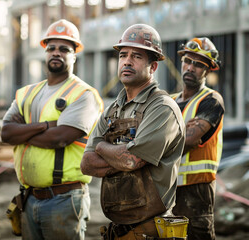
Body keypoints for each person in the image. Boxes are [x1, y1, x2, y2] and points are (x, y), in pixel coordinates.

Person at [1, 19, 103, 240]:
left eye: (64, 49)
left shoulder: (83, 94)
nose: (56, 53)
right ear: (45, 53)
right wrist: (46, 126)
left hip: (64, 200)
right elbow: (6, 133)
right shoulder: (26, 93)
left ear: (74, 55)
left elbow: (60, 138)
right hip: (29, 198)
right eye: (51, 48)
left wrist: (24, 132)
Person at [81, 24, 185, 240]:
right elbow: (86, 164)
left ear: (153, 66)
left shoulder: (161, 108)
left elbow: (131, 160)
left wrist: (101, 146)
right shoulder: (113, 108)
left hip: (152, 230)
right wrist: (121, 156)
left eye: (136, 56)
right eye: (123, 55)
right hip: (118, 228)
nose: (127, 61)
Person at [171, 37, 225, 240]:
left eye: (199, 65)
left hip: (197, 191)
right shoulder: (169, 101)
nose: (190, 67)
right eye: (187, 61)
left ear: (208, 70)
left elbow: (188, 141)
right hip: (167, 188)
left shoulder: (211, 101)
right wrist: (181, 131)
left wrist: (162, 139)